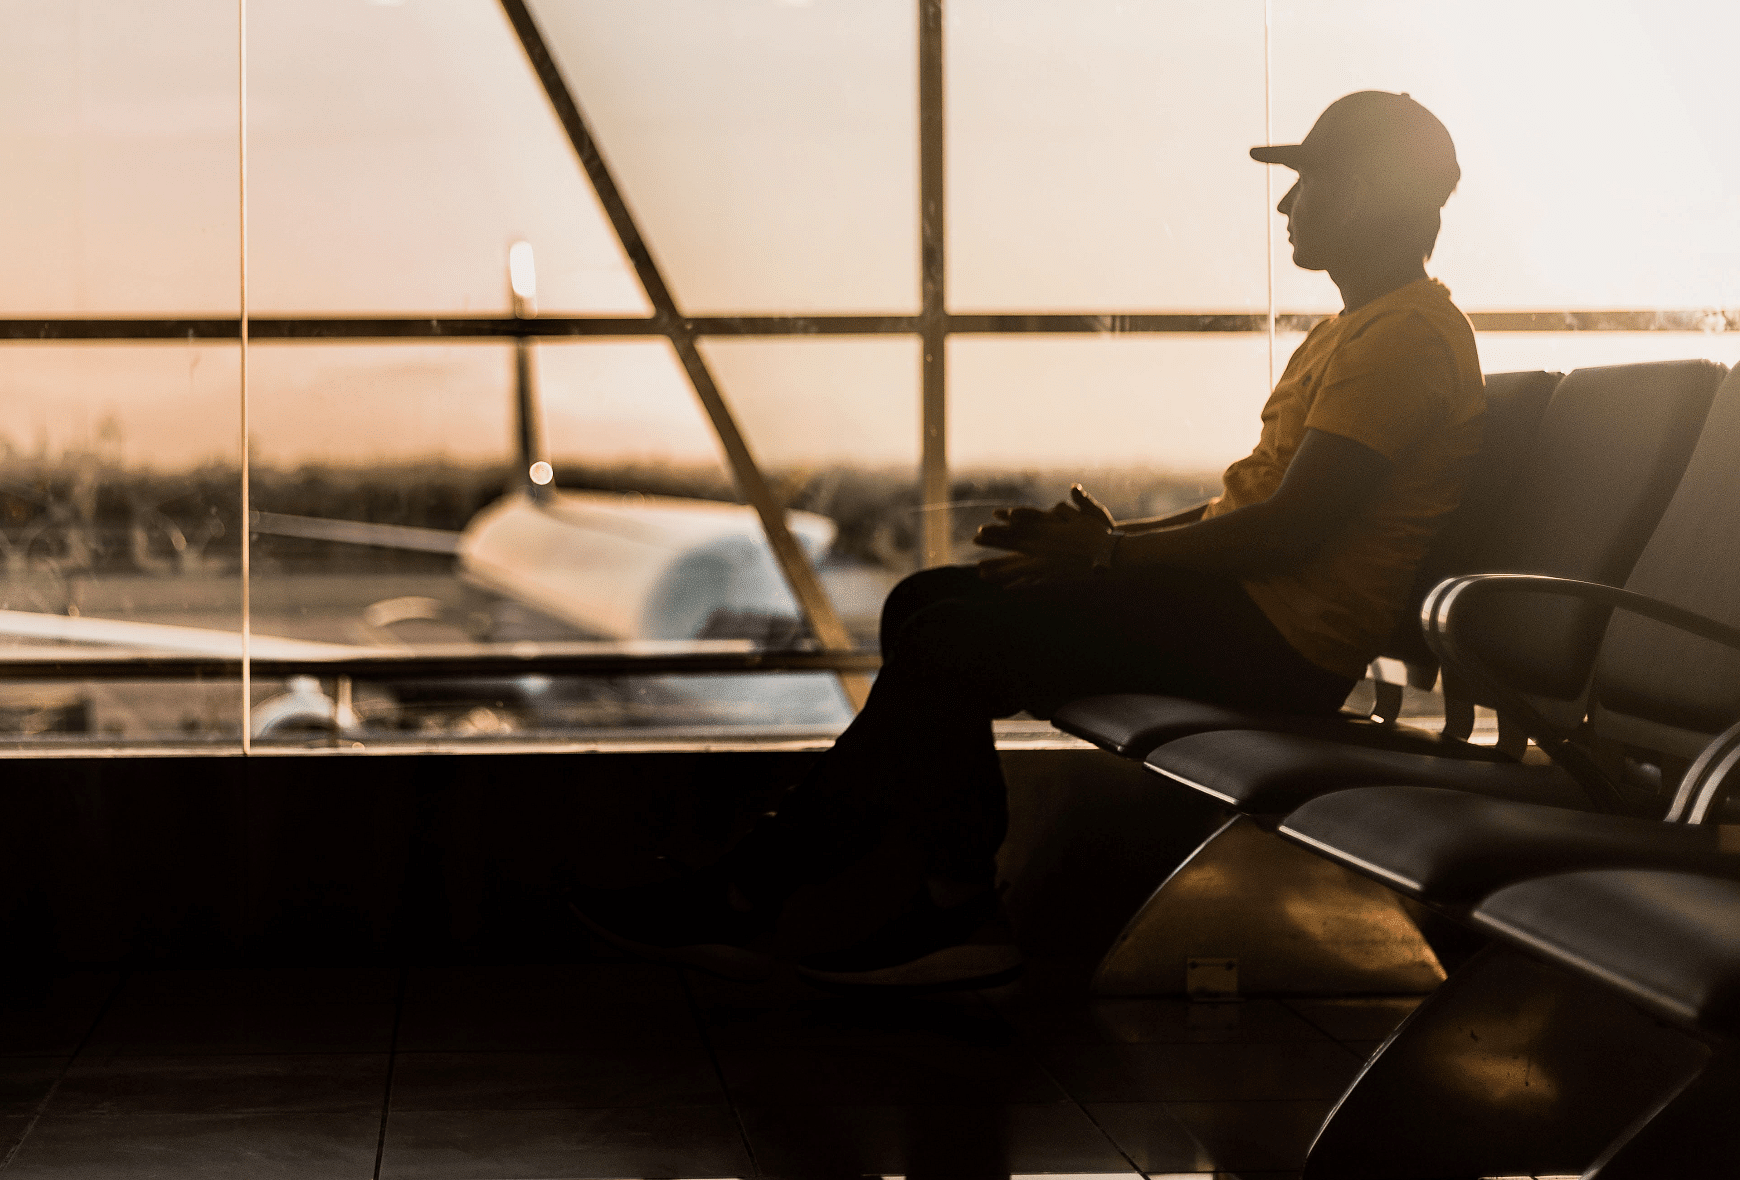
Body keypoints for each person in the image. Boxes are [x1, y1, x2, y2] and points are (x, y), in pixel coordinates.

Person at [572, 90, 1486, 990]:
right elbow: (1247, 513)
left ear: (1364, 193)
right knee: (926, 600)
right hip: (1248, 618)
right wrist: (1106, 542)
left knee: (951, 637)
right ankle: (946, 901)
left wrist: (1115, 558)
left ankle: (774, 894)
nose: (1287, 205)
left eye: (1309, 181)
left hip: (1279, 646)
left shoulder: (1402, 339)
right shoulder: (1358, 330)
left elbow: (1290, 532)